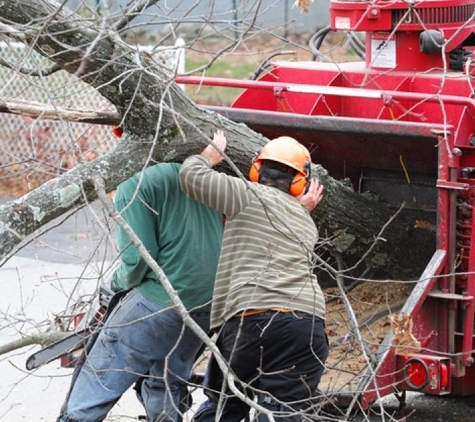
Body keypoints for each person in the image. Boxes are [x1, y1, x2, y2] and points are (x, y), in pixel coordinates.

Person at [179, 131, 329, 421]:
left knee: (226, 403)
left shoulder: (245, 193)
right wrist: (302, 208)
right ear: (300, 182)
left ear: (256, 170)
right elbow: (278, 220)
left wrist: (207, 157)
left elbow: (191, 178)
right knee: (283, 411)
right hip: (306, 324)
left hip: (251, 318)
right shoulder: (305, 221)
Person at [57, 162, 223, 422]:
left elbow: (136, 262)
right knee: (165, 382)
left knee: (99, 375)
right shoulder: (205, 176)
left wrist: (117, 283)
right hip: (207, 305)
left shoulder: (134, 182)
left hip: (162, 299)